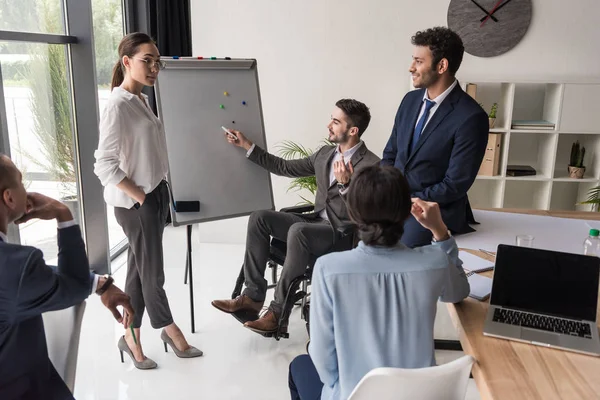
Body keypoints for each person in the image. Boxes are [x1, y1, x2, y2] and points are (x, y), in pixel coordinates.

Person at [288, 165, 470, 400]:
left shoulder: (328, 269)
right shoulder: (435, 261)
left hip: (353, 395)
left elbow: (324, 362)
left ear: (352, 214)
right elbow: (459, 292)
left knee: (299, 366)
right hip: (419, 395)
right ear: (408, 212)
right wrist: (440, 231)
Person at [211, 99, 381, 334]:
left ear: (353, 130)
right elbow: (285, 167)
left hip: (341, 233)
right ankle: (252, 296)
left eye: (335, 121)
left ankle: (277, 314)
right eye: (331, 119)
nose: (328, 125)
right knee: (260, 217)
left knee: (298, 231)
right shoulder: (325, 154)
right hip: (314, 222)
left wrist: (345, 185)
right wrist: (247, 146)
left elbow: (369, 212)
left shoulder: (372, 164)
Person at [94, 32, 202, 369]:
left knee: (139, 274)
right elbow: (103, 164)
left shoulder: (140, 100)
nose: (155, 67)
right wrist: (141, 196)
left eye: (157, 61)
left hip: (153, 196)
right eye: (147, 61)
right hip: (135, 205)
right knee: (154, 276)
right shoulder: (117, 105)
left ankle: (130, 336)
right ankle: (169, 329)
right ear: (127, 62)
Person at [0, 155, 135, 399]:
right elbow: (72, 285)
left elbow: (17, 282)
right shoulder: (19, 266)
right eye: (21, 182)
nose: (26, 190)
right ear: (9, 197)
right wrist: (63, 214)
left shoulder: (15, 269)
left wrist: (99, 284)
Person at [381, 26, 488, 247]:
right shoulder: (409, 101)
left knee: (399, 251)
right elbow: (391, 154)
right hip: (395, 202)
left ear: (442, 65)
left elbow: (455, 184)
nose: (411, 67)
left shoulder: (471, 117)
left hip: (435, 210)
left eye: (419, 61)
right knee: (358, 239)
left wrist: (405, 201)